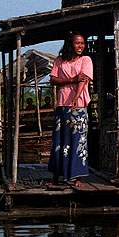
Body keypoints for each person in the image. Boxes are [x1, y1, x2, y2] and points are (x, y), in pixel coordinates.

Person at [48, 31, 93, 187]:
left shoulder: (86, 60)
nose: (80, 46)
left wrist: (76, 96)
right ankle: (56, 177)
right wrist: (71, 79)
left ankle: (78, 177)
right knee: (59, 141)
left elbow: (84, 79)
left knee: (78, 141)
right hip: (62, 105)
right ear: (70, 44)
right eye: (77, 43)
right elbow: (53, 80)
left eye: (82, 43)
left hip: (78, 106)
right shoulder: (60, 61)